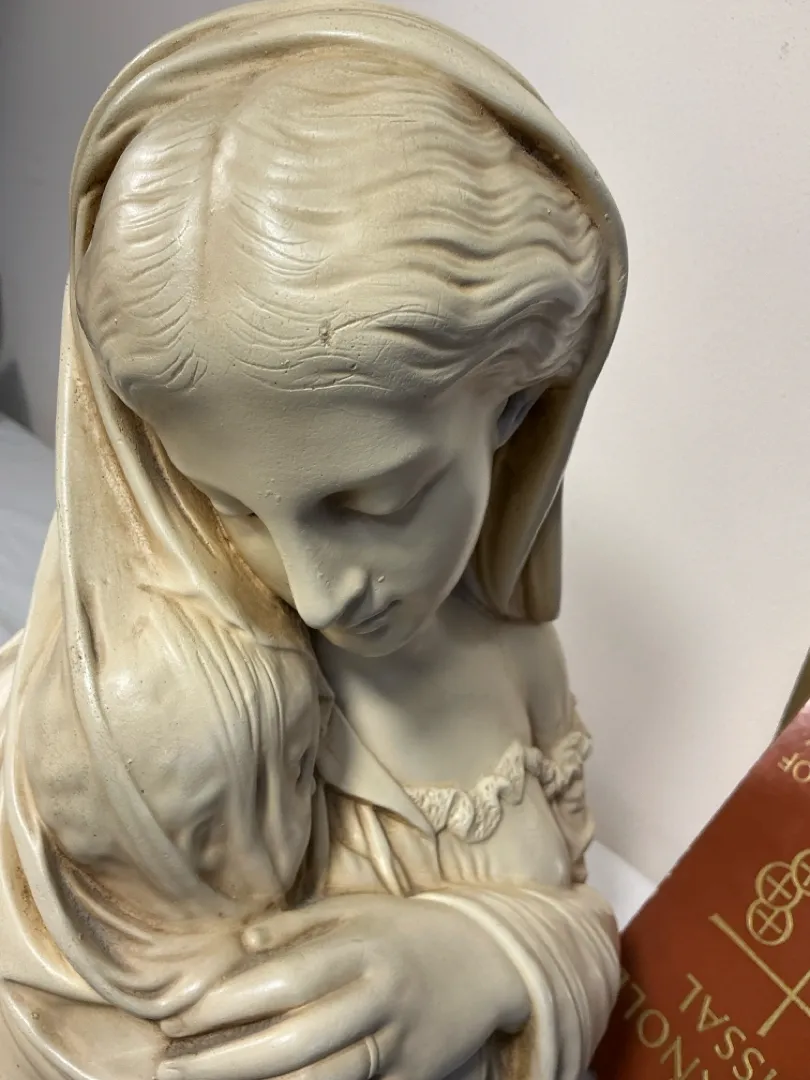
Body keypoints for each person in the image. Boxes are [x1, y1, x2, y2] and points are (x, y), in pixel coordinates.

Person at [0, 4, 629, 1079]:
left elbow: (578, 907)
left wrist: (496, 958)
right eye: (233, 508)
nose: (317, 591)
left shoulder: (521, 660)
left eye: (374, 503)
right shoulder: (181, 737)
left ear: (518, 403)